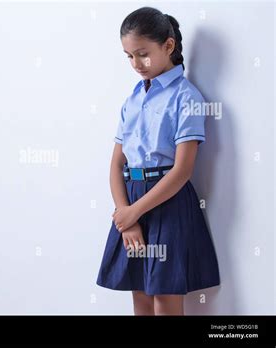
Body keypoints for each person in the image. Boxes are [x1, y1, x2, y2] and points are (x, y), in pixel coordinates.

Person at [96, 6, 221, 315]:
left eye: (143, 53)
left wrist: (133, 213)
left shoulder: (186, 97)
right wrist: (127, 217)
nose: (136, 64)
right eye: (129, 56)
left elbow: (182, 170)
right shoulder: (133, 98)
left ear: (168, 45)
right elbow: (116, 164)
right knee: (139, 294)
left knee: (164, 299)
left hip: (168, 201)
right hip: (131, 200)